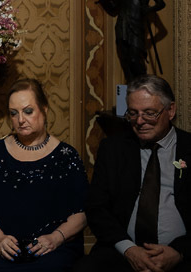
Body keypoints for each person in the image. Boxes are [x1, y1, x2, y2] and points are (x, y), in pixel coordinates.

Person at [0, 78, 87, 271]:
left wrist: (55, 238)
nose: (20, 120)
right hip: (2, 248)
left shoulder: (66, 156)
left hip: (51, 249)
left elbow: (82, 212)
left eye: (28, 111)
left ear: (44, 109)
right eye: (13, 113)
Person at [76, 75, 191, 272]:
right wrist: (128, 249)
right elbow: (96, 208)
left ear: (170, 110)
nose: (139, 121)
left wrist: (179, 251)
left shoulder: (189, 147)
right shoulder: (113, 149)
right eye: (133, 113)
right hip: (122, 250)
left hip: (183, 253)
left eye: (149, 113)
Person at [96, 0, 166, 80]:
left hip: (136, 26)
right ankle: (130, 90)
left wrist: (148, 10)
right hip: (122, 25)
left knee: (134, 59)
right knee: (125, 60)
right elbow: (114, 9)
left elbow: (161, 3)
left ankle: (143, 85)